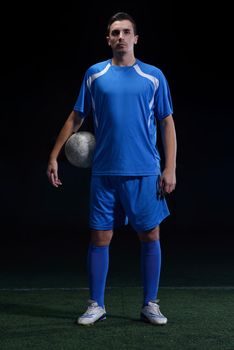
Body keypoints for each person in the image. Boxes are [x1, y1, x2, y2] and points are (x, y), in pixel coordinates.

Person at [47, 12, 177, 326]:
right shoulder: (95, 75)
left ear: (136, 38)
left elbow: (167, 122)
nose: (120, 37)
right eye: (115, 32)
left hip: (145, 171)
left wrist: (170, 167)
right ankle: (96, 305)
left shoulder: (153, 76)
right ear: (108, 39)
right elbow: (75, 118)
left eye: (126, 32)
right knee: (100, 236)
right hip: (105, 172)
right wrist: (54, 156)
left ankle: (150, 304)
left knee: (150, 234)